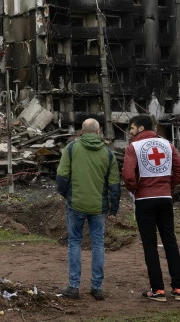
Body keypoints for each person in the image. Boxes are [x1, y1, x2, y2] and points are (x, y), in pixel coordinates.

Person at [122, 115, 180, 302]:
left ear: (141, 128)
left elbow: (128, 176)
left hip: (144, 200)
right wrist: (167, 185)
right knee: (170, 242)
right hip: (165, 198)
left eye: (132, 128)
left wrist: (136, 188)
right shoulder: (168, 145)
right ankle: (178, 288)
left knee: (150, 245)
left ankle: (157, 290)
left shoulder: (133, 147)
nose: (130, 132)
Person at [56, 118, 120, 301]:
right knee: (98, 243)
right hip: (99, 206)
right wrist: (113, 207)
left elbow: (62, 177)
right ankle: (97, 287)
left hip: (75, 204)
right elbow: (114, 183)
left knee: (74, 242)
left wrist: (66, 195)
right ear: (98, 132)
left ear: (82, 132)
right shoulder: (108, 154)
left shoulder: (71, 149)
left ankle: (74, 286)